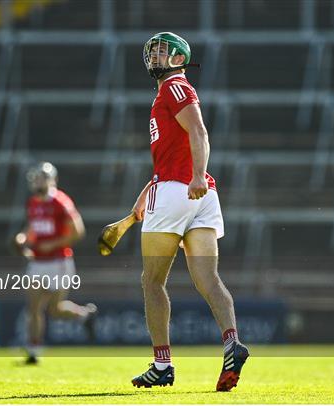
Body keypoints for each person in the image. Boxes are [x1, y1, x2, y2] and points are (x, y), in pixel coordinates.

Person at [130, 32, 249, 391]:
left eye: (164, 52)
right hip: (196, 196)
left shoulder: (175, 87)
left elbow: (199, 130)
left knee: (151, 281)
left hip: (177, 192)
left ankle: (162, 365)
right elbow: (173, 154)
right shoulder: (168, 91)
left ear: (180, 58)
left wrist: (196, 174)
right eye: (153, 52)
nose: (156, 57)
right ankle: (231, 342)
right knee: (207, 279)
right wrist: (144, 195)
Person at [14, 162, 97, 364]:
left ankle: (84, 314)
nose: (37, 182)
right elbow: (32, 228)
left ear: (51, 180)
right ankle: (34, 350)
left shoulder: (60, 202)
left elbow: (78, 232)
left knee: (55, 310)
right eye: (35, 178)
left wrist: (51, 245)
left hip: (59, 262)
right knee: (33, 307)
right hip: (37, 262)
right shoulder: (33, 202)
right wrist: (23, 238)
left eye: (41, 178)